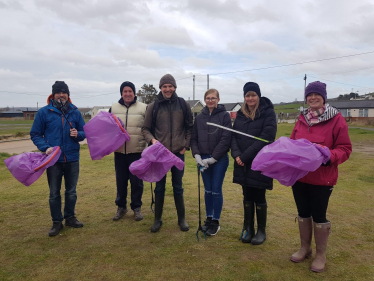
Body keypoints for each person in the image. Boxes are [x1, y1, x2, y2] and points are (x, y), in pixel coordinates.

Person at [290, 81, 351, 272]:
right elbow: (293, 143)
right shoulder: (301, 119)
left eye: (316, 94)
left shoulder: (336, 119)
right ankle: (304, 248)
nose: (313, 98)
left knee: (319, 215)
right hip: (300, 177)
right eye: (309, 95)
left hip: (322, 178)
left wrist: (328, 156)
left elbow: (345, 149)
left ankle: (320, 254)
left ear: (323, 97)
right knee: (303, 213)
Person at [30, 81, 86, 237]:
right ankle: (57, 222)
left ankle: (70, 217)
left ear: (68, 95)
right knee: (54, 193)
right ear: (53, 95)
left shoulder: (75, 112)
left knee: (71, 191)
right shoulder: (44, 113)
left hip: (72, 158)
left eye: (64, 92)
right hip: (53, 160)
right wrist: (45, 148)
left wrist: (78, 135)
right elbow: (35, 134)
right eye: (58, 92)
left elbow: (84, 131)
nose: (62, 95)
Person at [142, 74, 193, 232]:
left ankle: (181, 219)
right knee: (159, 187)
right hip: (160, 155)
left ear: (175, 87)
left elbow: (190, 127)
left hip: (178, 153)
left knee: (178, 186)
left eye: (170, 86)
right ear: (161, 88)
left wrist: (185, 145)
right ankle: (157, 219)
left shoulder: (183, 104)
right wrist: (151, 140)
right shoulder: (153, 106)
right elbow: (145, 129)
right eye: (165, 86)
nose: (168, 89)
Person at [231, 82, 277, 245]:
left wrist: (245, 156)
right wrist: (236, 154)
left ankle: (261, 231)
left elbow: (267, 137)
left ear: (258, 96)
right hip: (242, 162)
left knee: (259, 194)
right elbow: (234, 136)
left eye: (253, 95)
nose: (250, 98)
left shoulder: (268, 113)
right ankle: (248, 228)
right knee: (247, 195)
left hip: (259, 161)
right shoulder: (240, 114)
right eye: (247, 95)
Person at [191, 89, 231, 236]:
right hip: (203, 158)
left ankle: (216, 221)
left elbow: (226, 138)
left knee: (216, 190)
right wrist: (197, 155)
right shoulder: (200, 117)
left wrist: (214, 158)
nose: (210, 101)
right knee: (207, 190)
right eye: (208, 98)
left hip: (218, 159)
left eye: (213, 98)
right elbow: (194, 138)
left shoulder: (225, 116)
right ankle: (208, 217)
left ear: (218, 100)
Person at [109, 81, 147, 222]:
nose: (127, 94)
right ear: (121, 93)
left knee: (136, 182)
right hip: (119, 152)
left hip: (137, 151)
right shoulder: (113, 108)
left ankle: (136, 207)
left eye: (130, 91)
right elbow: (108, 128)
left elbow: (147, 128)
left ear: (134, 93)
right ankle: (121, 207)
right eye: (125, 91)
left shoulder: (143, 108)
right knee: (121, 181)